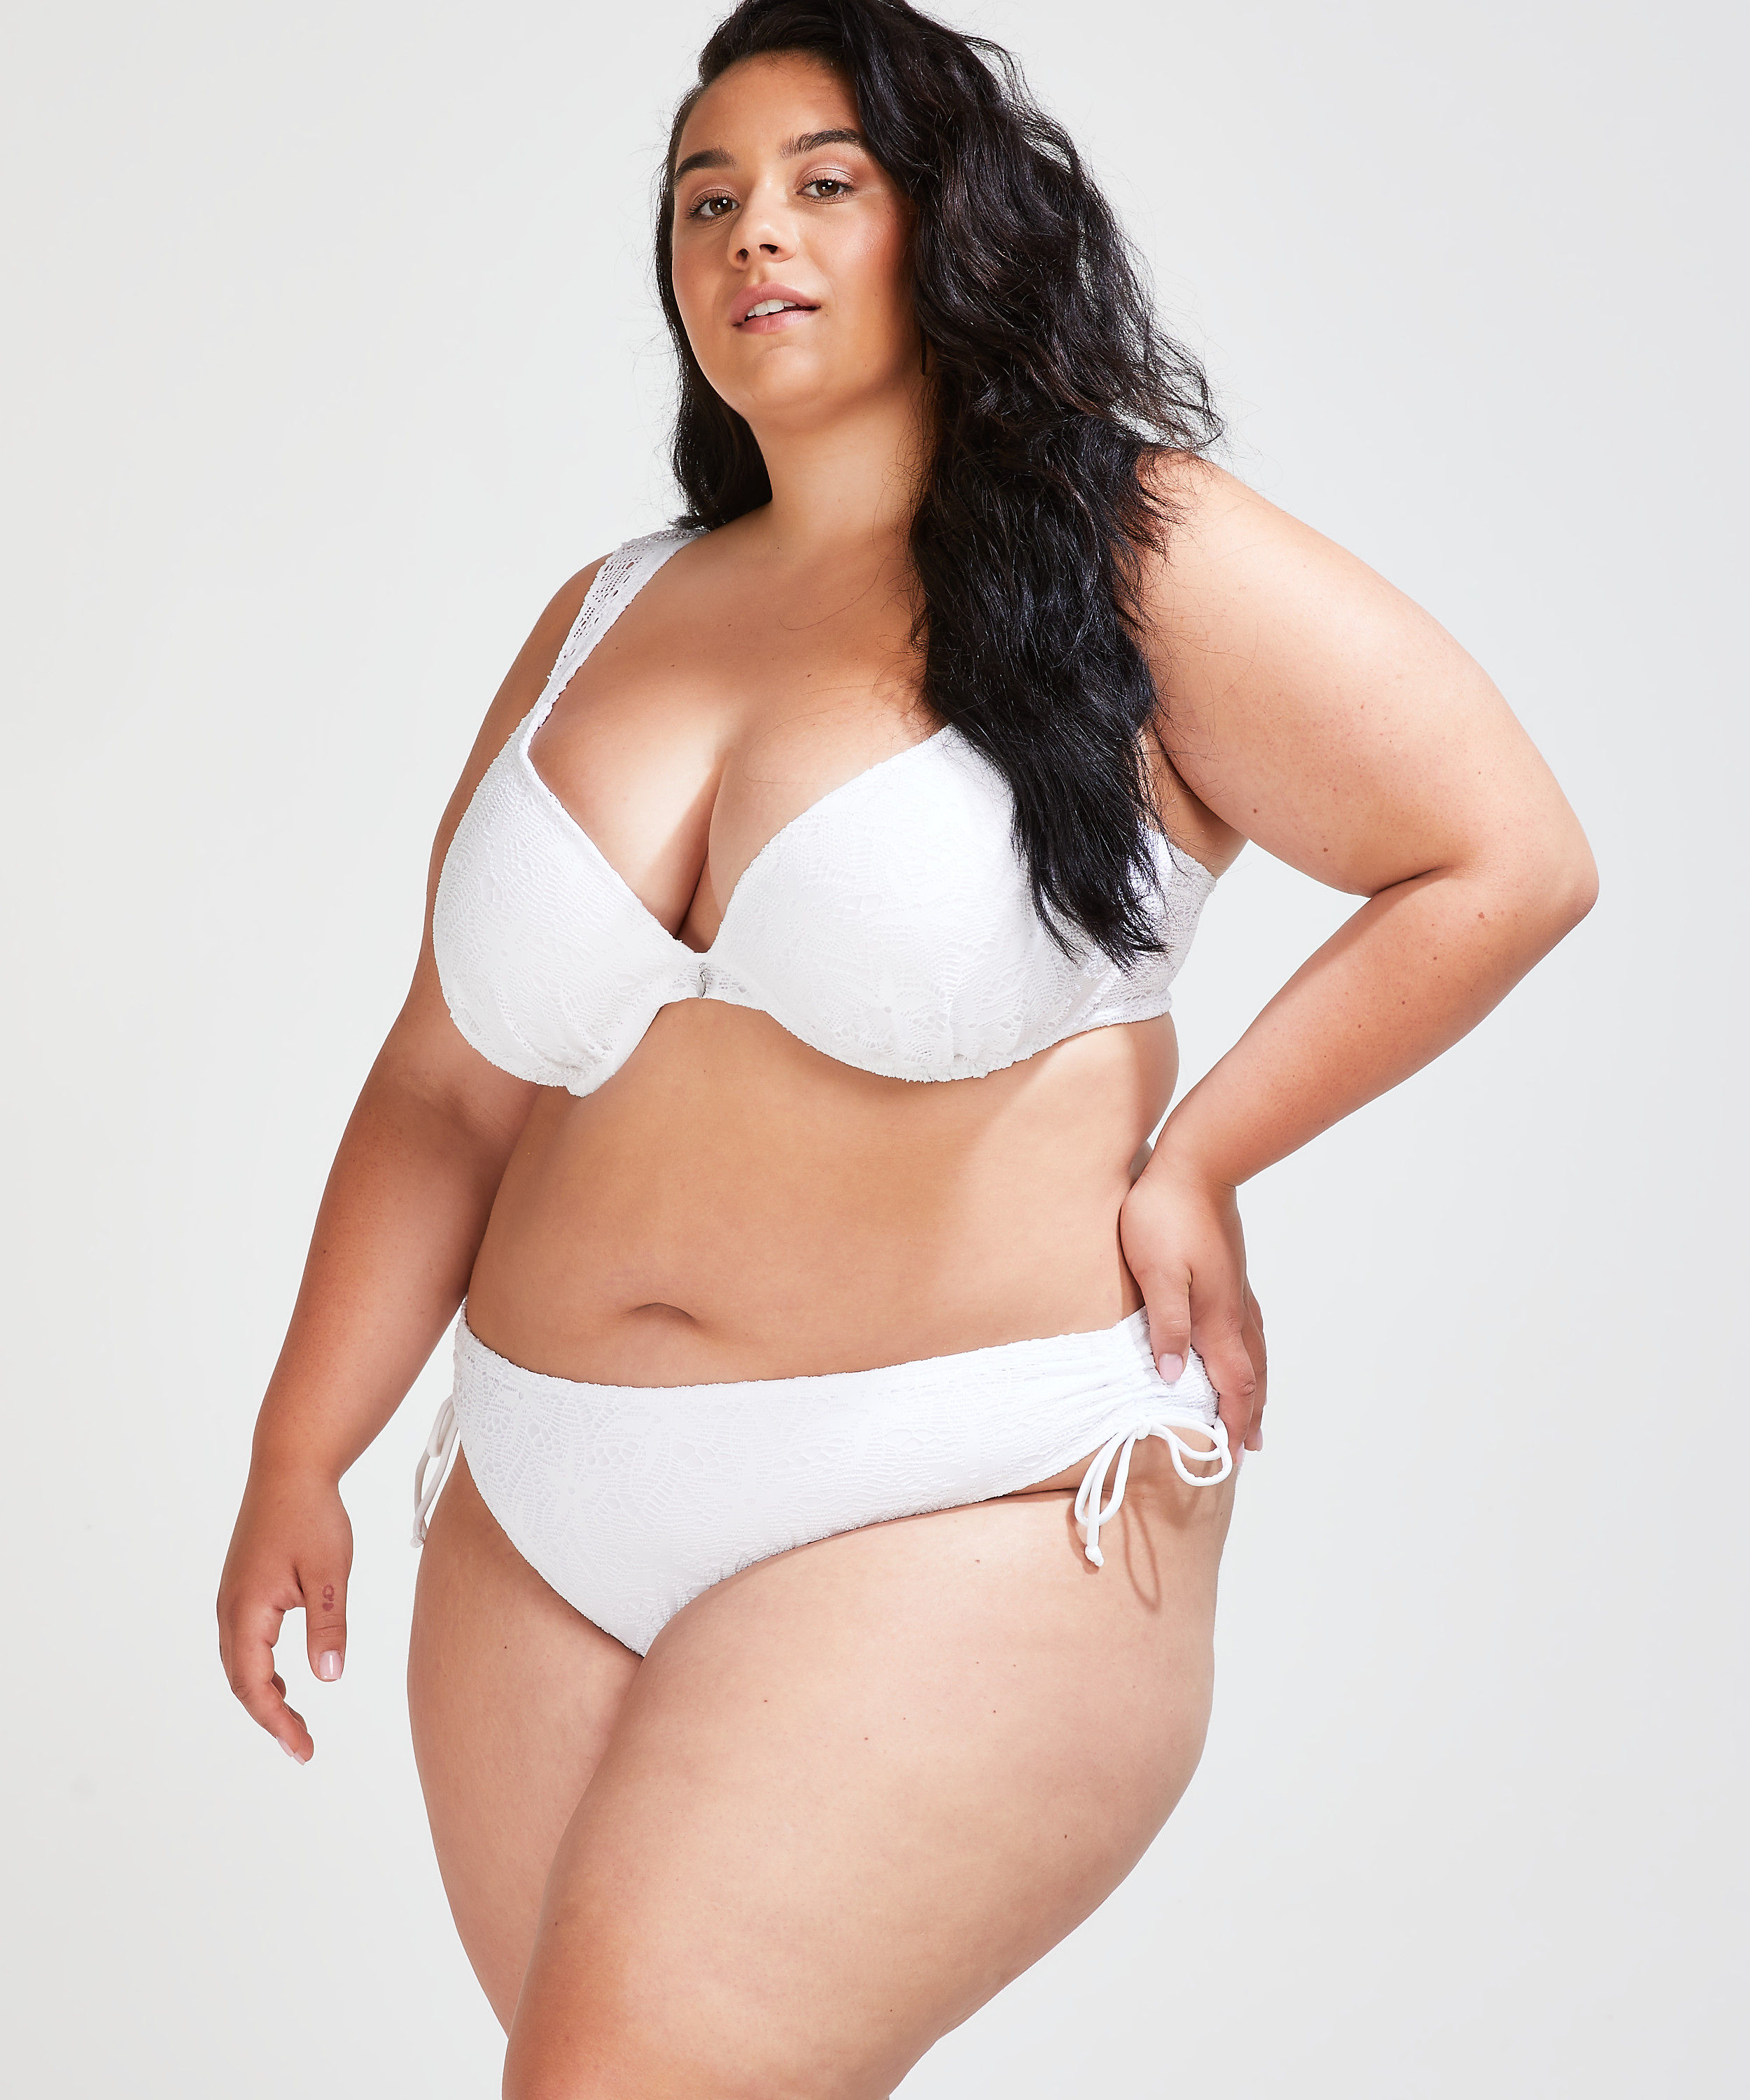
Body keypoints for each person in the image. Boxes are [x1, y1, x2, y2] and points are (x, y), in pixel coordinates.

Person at [216, 1, 1597, 2091]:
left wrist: (1204, 1156)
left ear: (947, 225)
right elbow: (441, 1085)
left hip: (966, 1487)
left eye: (820, 184)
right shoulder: (605, 613)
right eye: (705, 200)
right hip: (540, 1508)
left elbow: (1501, 852)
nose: (750, 234)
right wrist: (296, 1449)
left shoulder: (1132, 555)